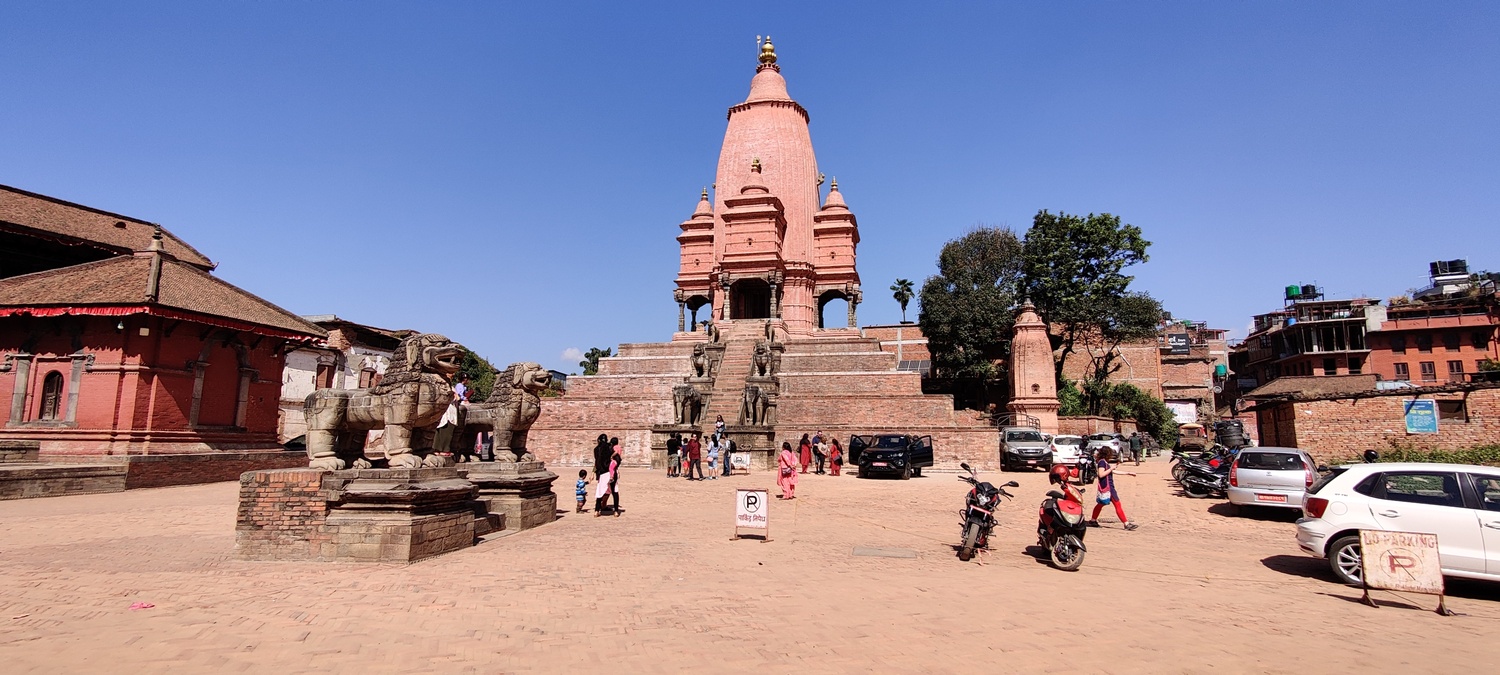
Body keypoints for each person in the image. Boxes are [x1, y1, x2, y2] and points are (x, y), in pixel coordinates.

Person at [1090, 447, 1138, 530]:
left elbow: (1112, 471)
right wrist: (1111, 468)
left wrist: (1127, 473)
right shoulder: (1102, 462)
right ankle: (1126, 523)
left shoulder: (1103, 462)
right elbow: (1101, 474)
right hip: (1108, 487)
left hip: (1107, 487)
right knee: (1117, 504)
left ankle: (1093, 520)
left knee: (1101, 504)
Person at [592, 434, 613, 514]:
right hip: (608, 471)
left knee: (600, 490)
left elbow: (596, 462)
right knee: (609, 490)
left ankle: (597, 509)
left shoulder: (596, 449)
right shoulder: (609, 447)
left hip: (600, 472)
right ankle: (603, 505)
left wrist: (593, 472)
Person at [608, 440, 623, 516]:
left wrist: (611, 456)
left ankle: (611, 476)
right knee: (614, 468)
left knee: (611, 468)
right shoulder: (620, 447)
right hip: (619, 460)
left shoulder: (615, 447)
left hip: (615, 460)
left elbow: (616, 452)